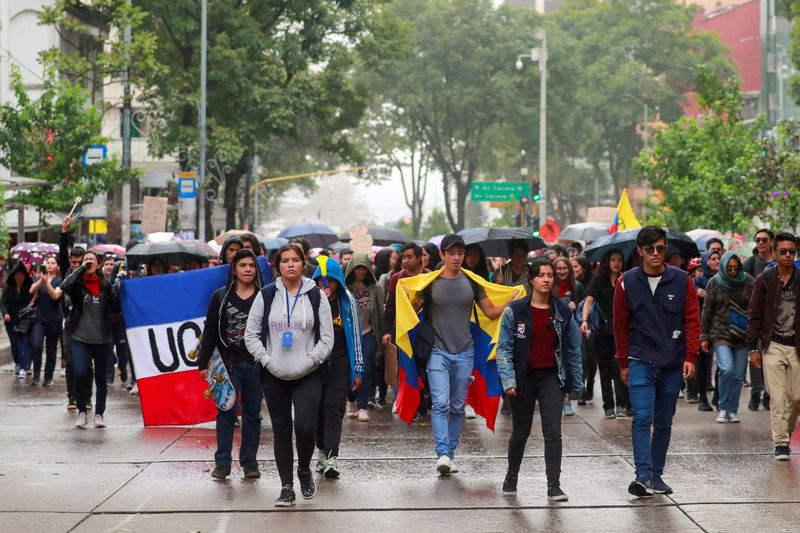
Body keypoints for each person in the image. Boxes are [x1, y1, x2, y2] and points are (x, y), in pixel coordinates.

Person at [412, 234, 517, 475]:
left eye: (460, 253)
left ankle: (450, 453)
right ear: (442, 255)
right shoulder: (430, 282)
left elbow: (490, 312)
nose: (457, 257)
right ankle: (443, 454)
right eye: (452, 253)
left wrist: (511, 300)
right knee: (440, 404)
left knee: (458, 406)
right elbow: (412, 306)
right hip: (437, 351)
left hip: (465, 352)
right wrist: (404, 295)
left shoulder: (473, 281)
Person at [244, 243, 333, 506]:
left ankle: (304, 470)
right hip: (274, 374)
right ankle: (286, 488)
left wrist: (312, 361)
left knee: (305, 426)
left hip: (308, 372)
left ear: (304, 263)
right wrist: (267, 360)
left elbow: (327, 338)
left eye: (295, 260)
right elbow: (251, 334)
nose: (290, 264)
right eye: (285, 260)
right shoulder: (267, 294)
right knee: (282, 431)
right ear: (277, 265)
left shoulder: (316, 295)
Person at [614, 226, 699, 497]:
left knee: (663, 421)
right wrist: (623, 363)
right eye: (649, 249)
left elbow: (693, 321)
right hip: (640, 360)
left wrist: (691, 356)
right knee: (641, 417)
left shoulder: (682, 280)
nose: (655, 254)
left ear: (665, 250)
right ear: (639, 251)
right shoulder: (625, 282)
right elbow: (620, 326)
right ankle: (642, 476)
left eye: (660, 249)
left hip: (673, 362)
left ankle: (656, 475)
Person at [497, 257, 583, 500]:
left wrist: (574, 385)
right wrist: (509, 380)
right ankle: (511, 475)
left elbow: (573, 350)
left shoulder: (563, 311)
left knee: (553, 432)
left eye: (550, 275)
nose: (546, 279)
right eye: (541, 275)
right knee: (520, 432)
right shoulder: (515, 310)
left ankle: (553, 485)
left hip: (551, 378)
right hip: (523, 379)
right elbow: (504, 348)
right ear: (531, 280)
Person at [198, 248, 265, 480]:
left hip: (257, 365)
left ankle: (249, 463)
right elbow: (209, 332)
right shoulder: (220, 296)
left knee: (252, 416)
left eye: (251, 265)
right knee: (225, 412)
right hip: (228, 366)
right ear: (234, 269)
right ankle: (223, 463)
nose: (248, 269)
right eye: (242, 265)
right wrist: (203, 364)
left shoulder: (264, 296)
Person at [746, 232, 800, 461]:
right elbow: (754, 314)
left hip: (796, 346)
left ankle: (785, 431)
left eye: (792, 251)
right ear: (775, 253)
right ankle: (780, 443)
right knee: (777, 397)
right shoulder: (765, 279)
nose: (788, 255)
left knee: (796, 397)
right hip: (773, 345)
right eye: (783, 251)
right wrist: (753, 348)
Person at [312, 259, 363, 477]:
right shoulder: (308, 300)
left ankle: (332, 457)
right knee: (316, 411)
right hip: (313, 366)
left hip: (340, 364)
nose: (328, 286)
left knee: (334, 408)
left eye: (332, 282)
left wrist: (358, 369)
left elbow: (356, 336)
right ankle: (321, 452)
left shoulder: (348, 301)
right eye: (323, 281)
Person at [61, 250, 118, 429]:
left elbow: (115, 306)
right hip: (79, 337)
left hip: (102, 338)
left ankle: (99, 413)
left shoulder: (106, 285)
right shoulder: (77, 285)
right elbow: (64, 286)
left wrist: (117, 284)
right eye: (86, 260)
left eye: (92, 259)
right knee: (80, 372)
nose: (89, 262)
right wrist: (80, 270)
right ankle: (82, 411)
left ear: (99, 265)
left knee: (101, 378)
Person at [700, 252, 754, 424]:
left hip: (742, 334)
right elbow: (707, 311)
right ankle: (723, 407)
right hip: (720, 332)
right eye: (729, 268)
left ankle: (732, 410)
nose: (732, 272)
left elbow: (754, 308)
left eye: (735, 268)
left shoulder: (748, 281)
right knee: (727, 368)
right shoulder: (714, 282)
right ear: (723, 267)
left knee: (738, 375)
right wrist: (704, 337)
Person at [581, 249, 630, 418]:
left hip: (621, 331)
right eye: (613, 259)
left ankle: (622, 406)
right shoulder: (598, 280)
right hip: (601, 331)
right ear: (607, 262)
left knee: (620, 368)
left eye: (619, 259)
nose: (617, 263)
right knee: (604, 370)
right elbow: (588, 301)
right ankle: (608, 406)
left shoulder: (626, 279)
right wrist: (584, 320)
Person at [382, 243, 429, 412]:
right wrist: (387, 331)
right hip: (402, 331)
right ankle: (408, 403)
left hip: (425, 331)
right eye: (403, 257)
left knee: (424, 367)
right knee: (405, 367)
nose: (406, 260)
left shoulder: (429, 277)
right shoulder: (397, 278)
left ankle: (423, 398)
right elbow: (390, 306)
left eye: (409, 257)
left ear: (419, 258)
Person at [344, 253, 384, 422]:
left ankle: (362, 406)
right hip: (348, 335)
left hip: (368, 333)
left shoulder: (375, 289)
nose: (361, 271)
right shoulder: (345, 289)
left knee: (366, 369)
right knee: (348, 369)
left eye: (364, 268)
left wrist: (382, 335)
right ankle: (351, 400)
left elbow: (381, 313)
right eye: (357, 268)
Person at [58, 215, 90, 410]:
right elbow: (62, 253)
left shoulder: (91, 277)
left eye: (80, 262)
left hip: (88, 325)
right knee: (70, 361)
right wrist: (64, 232)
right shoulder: (67, 275)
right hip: (70, 324)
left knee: (87, 363)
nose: (76, 265)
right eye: (73, 262)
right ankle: (72, 396)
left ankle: (87, 397)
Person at [743, 228, 775, 412]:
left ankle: (768, 394)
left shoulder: (779, 262)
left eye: (764, 239)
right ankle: (755, 394)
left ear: (771, 242)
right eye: (758, 240)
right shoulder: (750, 263)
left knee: (771, 358)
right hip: (755, 317)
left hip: (774, 318)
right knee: (755, 356)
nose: (761, 243)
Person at [553, 257, 583, 417]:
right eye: (559, 268)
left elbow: (582, 306)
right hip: (553, 329)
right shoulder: (549, 286)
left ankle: (567, 400)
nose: (562, 271)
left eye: (565, 268)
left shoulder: (576, 286)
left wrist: (575, 307)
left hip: (571, 330)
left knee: (570, 361)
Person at [691, 249, 720, 411]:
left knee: (723, 364)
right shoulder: (699, 281)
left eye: (718, 258)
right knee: (702, 364)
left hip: (722, 326)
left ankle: (717, 396)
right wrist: (696, 293)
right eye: (712, 259)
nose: (716, 261)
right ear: (705, 262)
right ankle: (702, 398)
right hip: (703, 329)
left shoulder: (724, 280)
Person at [28, 256, 63, 386]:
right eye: (48, 263)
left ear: (57, 266)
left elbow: (55, 295)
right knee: (36, 344)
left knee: (51, 349)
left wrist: (46, 282)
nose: (49, 265)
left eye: (53, 263)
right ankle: (36, 375)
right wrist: (41, 281)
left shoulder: (60, 281)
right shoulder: (39, 279)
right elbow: (31, 290)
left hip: (54, 319)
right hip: (39, 318)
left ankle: (48, 377)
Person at [1, 262, 34, 379]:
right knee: (14, 345)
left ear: (25, 276)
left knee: (23, 344)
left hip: (24, 321)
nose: (19, 277)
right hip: (11, 320)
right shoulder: (8, 288)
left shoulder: (29, 288)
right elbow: (3, 302)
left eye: (21, 275)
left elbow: (33, 300)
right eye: (17, 275)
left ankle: (23, 367)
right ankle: (17, 363)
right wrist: (5, 313)